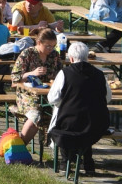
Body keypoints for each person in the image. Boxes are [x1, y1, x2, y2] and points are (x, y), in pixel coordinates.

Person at [47, 41, 112, 176]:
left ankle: (65, 162)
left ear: (70, 58)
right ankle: (88, 162)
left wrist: (65, 102)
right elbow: (108, 98)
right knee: (86, 122)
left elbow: (52, 99)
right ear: (87, 56)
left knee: (63, 121)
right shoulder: (100, 74)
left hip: (69, 124)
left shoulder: (65, 73)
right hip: (96, 125)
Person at [11, 28, 63, 144]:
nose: (51, 49)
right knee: (35, 115)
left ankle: (52, 145)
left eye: (53, 46)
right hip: (27, 94)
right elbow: (14, 78)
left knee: (63, 112)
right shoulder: (27, 53)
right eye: (48, 46)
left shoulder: (54, 55)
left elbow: (61, 74)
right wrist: (31, 73)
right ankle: (20, 146)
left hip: (49, 93)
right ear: (39, 43)